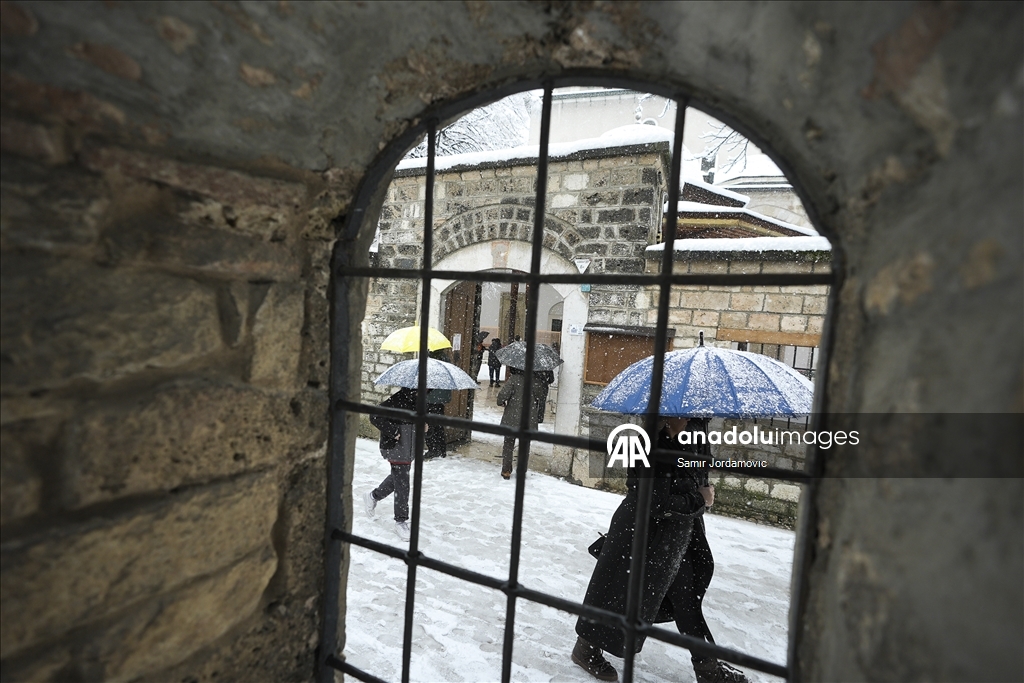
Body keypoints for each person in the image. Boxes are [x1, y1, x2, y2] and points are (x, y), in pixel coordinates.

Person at [572, 417, 748, 683]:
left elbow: (694, 475)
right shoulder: (649, 443)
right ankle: (585, 648)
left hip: (676, 533)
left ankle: (707, 668)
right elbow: (655, 501)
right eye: (686, 415)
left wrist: (701, 491)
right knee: (616, 590)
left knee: (685, 598)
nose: (691, 419)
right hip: (642, 532)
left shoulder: (693, 433)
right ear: (666, 416)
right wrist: (699, 498)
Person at [364, 387, 420, 541]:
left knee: (398, 479)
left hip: (409, 448)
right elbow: (375, 415)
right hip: (396, 448)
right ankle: (401, 521)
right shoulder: (398, 399)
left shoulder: (419, 400)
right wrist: (394, 431)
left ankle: (373, 496)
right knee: (403, 483)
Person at [495, 366, 539, 480]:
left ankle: (506, 471)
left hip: (512, 418)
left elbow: (503, 395)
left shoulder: (514, 379)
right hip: (529, 418)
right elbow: (541, 397)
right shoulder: (535, 380)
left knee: (509, 443)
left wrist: (500, 402)